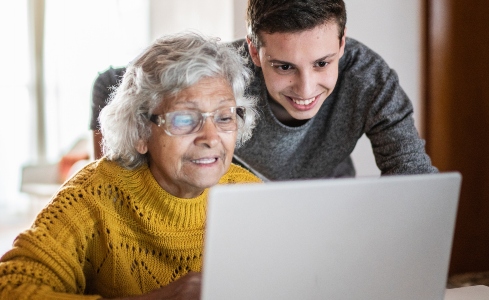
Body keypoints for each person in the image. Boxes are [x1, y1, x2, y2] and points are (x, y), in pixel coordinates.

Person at [0, 32, 260, 299]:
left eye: (224, 116)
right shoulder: (92, 195)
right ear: (139, 133)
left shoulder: (253, 196)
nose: (210, 137)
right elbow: (11, 287)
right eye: (184, 119)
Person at [91, 0, 437, 179]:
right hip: (238, 206)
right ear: (254, 51)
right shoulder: (224, 69)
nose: (306, 89)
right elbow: (110, 83)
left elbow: (414, 178)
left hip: (327, 206)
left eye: (322, 63)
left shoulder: (370, 80)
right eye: (284, 67)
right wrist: (112, 179)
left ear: (342, 44)